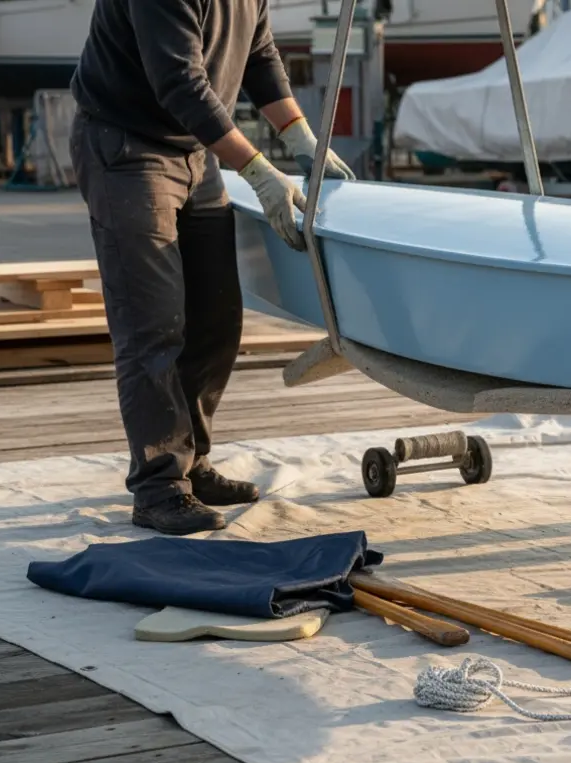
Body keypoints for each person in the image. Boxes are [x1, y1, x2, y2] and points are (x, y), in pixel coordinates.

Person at [69, 1, 353, 535]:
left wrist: (299, 135)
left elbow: (259, 54)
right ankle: (159, 487)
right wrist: (258, 169)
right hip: (127, 147)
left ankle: (192, 461)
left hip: (196, 150)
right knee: (153, 327)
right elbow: (180, 82)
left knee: (216, 319)